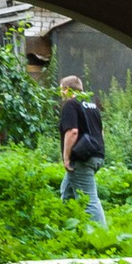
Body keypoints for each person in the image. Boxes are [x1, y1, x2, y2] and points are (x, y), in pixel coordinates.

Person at [57, 71, 106, 223]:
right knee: (67, 193)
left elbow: (72, 132)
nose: (60, 93)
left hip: (81, 158)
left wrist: (66, 157)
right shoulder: (92, 106)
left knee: (89, 200)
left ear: (67, 90)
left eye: (61, 89)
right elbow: (101, 132)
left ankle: (102, 237)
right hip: (97, 155)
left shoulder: (71, 105)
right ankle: (67, 227)